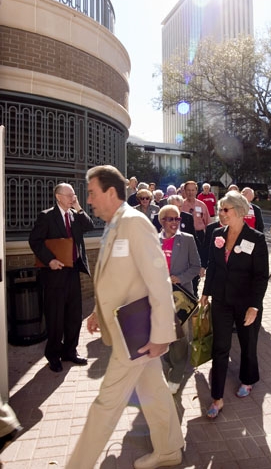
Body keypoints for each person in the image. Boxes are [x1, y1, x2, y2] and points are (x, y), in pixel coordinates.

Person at [66, 165, 184, 469]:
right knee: (154, 392)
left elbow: (158, 279)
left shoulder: (134, 223)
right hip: (127, 330)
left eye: (92, 193)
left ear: (110, 192)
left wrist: (161, 335)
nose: (88, 200)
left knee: (105, 405)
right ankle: (170, 451)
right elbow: (117, 277)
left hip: (137, 334)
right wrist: (97, 311)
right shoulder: (114, 223)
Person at [200, 191, 268, 418]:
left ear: (239, 211)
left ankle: (248, 380)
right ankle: (217, 398)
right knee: (220, 347)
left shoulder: (256, 239)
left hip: (246, 301)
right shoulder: (217, 234)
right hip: (221, 300)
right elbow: (212, 265)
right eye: (220, 209)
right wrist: (206, 293)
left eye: (225, 209)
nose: (220, 213)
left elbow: (260, 276)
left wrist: (255, 306)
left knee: (248, 343)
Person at [29, 183, 94, 373]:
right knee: (55, 317)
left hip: (73, 271)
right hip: (54, 273)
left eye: (74, 195)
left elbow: (89, 226)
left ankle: (70, 352)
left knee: (74, 315)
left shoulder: (75, 215)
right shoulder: (47, 216)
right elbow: (35, 241)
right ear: (58, 197)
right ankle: (54, 355)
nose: (73, 198)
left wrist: (79, 208)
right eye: (69, 195)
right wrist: (49, 260)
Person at [158, 205, 201, 394]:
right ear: (162, 221)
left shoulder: (188, 240)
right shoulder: (153, 240)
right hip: (159, 296)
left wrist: (180, 278)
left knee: (181, 336)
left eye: (177, 219)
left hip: (181, 296)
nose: (174, 222)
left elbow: (196, 267)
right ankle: (169, 361)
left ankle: (176, 375)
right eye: (170, 219)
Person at [182, 181, 210, 296]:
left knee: (197, 262)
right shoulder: (181, 205)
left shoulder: (202, 205)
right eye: (188, 190)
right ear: (184, 191)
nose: (190, 192)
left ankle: (195, 288)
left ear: (196, 191)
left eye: (193, 190)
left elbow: (208, 223)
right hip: (185, 237)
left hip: (199, 236)